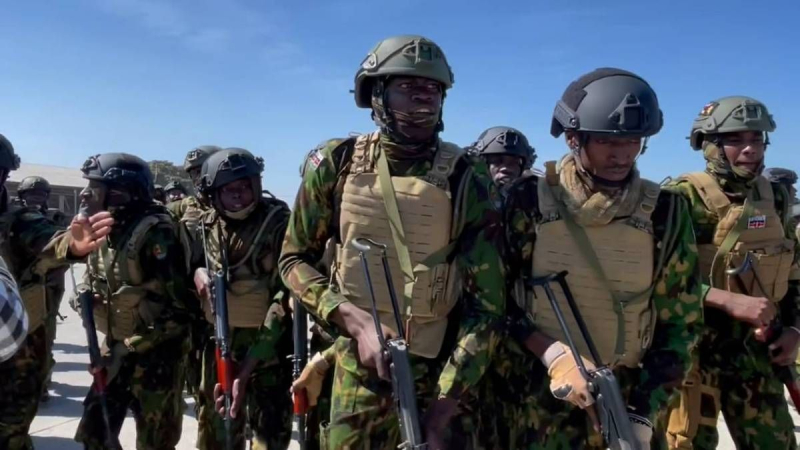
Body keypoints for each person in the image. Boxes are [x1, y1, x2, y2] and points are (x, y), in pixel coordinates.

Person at [279, 34, 505, 449]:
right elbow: (293, 261)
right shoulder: (338, 161)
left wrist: (446, 401)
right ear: (377, 94)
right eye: (408, 86)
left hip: (442, 371)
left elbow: (487, 306)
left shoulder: (467, 174)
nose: (424, 97)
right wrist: (353, 320)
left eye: (433, 88)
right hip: (356, 369)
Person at [495, 68, 702, 449]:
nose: (623, 153)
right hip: (537, 402)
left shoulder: (666, 212)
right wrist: (553, 354)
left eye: (634, 140)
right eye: (609, 140)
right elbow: (496, 301)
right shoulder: (529, 201)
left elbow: (681, 322)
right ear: (575, 138)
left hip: (627, 400)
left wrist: (644, 409)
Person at [663, 96, 799, 449]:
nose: (750, 149)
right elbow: (653, 284)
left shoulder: (778, 199)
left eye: (756, 139)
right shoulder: (680, 200)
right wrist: (723, 299)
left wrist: (795, 330)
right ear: (709, 145)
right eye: (736, 140)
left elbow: (793, 274)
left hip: (759, 353)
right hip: (693, 356)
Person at [52, 152, 191, 449]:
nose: (86, 194)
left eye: (96, 187)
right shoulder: (105, 228)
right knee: (95, 433)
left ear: (119, 193)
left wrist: (129, 347)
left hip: (155, 358)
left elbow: (181, 311)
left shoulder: (157, 234)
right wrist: (86, 298)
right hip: (115, 348)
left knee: (155, 442)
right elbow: (92, 273)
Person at [194, 148, 293, 449]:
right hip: (220, 345)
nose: (238, 195)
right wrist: (198, 275)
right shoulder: (206, 224)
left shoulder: (278, 223)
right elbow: (191, 266)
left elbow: (285, 296)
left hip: (269, 351)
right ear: (213, 193)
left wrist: (247, 368)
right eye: (229, 189)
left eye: (245, 187)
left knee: (268, 439)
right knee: (216, 436)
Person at [0, 133, 71, 449]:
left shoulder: (20, 220)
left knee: (11, 432)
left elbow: (58, 243)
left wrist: (75, 245)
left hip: (14, 342)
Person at [15, 175, 70, 402]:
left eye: (39, 194)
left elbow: (64, 253)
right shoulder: (15, 219)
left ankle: (42, 382)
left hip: (49, 286)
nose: (35, 198)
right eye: (30, 194)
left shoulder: (54, 219)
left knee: (44, 336)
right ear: (22, 196)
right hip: (18, 286)